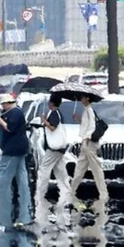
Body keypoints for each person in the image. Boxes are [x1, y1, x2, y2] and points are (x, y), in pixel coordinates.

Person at [0, 94, 32, 228]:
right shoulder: (16, 112)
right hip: (20, 149)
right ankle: (25, 213)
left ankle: (2, 214)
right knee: (22, 178)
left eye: (4, 104)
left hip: (12, 150)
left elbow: (10, 128)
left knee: (4, 179)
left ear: (9, 103)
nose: (3, 107)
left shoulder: (15, 113)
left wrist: (0, 121)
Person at [35, 94, 72, 225]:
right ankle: (66, 193)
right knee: (60, 172)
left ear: (52, 103)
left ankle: (40, 193)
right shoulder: (56, 113)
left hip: (54, 149)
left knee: (44, 169)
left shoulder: (55, 114)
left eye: (49, 102)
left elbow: (52, 127)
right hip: (59, 149)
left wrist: (44, 120)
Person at [71, 94, 108, 206]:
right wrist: (78, 120)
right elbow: (86, 125)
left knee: (96, 170)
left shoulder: (89, 110)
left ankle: (104, 195)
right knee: (79, 169)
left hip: (89, 143)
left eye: (82, 97)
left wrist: (87, 137)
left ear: (87, 98)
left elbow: (91, 127)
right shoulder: (86, 110)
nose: (81, 99)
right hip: (85, 143)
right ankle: (71, 191)